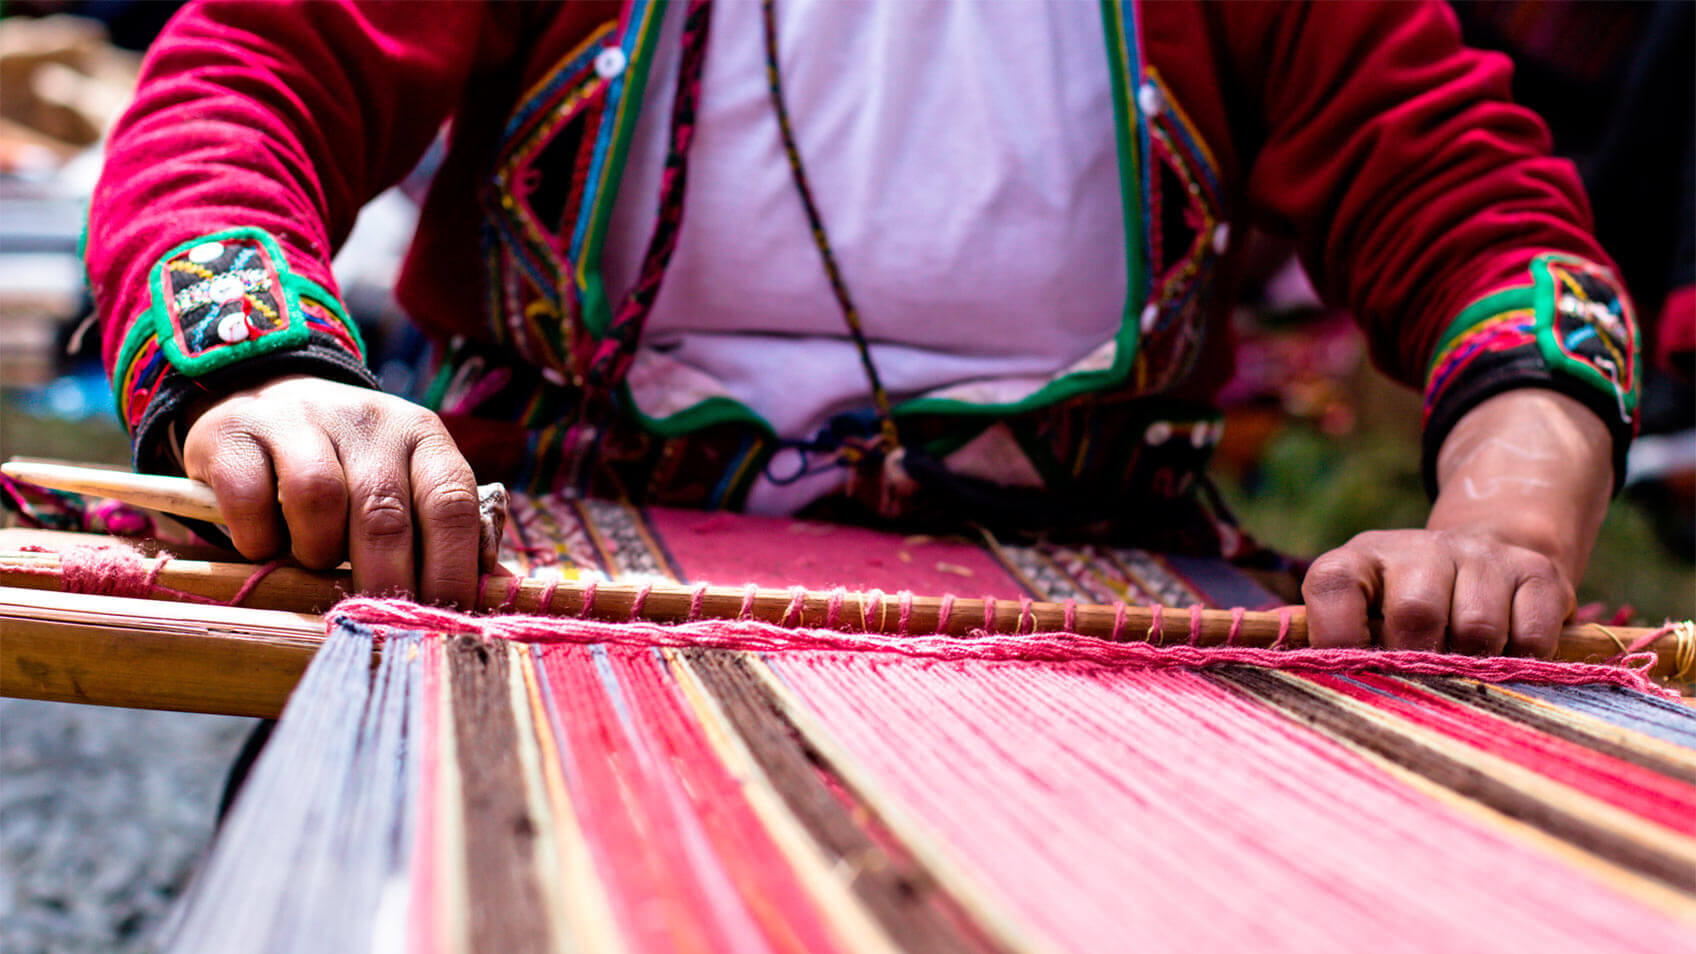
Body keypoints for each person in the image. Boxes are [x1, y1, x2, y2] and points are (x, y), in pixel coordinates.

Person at [85, 0, 1640, 656]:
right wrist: (266, 368)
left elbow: (1481, 220)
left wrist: (1503, 513)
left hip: (1099, 615)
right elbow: (254, 73)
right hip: (540, 570)